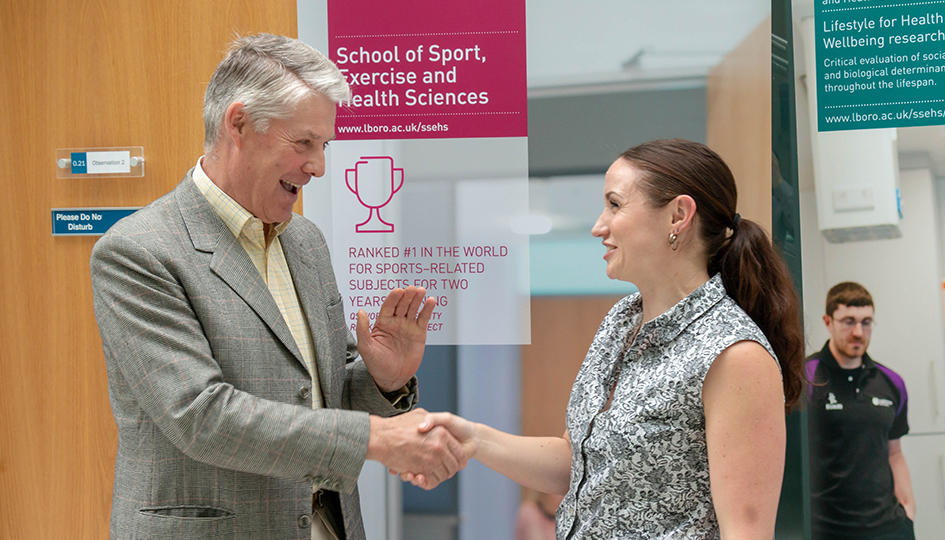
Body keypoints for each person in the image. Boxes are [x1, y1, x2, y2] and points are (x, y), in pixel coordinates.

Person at [90, 34, 465, 540]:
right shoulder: (138, 251)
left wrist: (383, 382)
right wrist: (377, 437)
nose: (319, 166)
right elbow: (201, 416)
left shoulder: (305, 241)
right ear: (238, 124)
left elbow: (315, 396)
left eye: (324, 145)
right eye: (304, 142)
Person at [405, 139, 806, 539]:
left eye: (615, 205)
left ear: (678, 216)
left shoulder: (735, 353)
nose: (599, 225)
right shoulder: (620, 321)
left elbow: (747, 531)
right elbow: (575, 462)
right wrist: (475, 438)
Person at [806, 282, 915, 540]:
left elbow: (895, 452)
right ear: (827, 321)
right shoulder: (806, 378)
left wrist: (909, 508)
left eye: (866, 322)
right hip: (825, 530)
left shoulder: (891, 382)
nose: (858, 332)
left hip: (889, 528)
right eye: (848, 321)